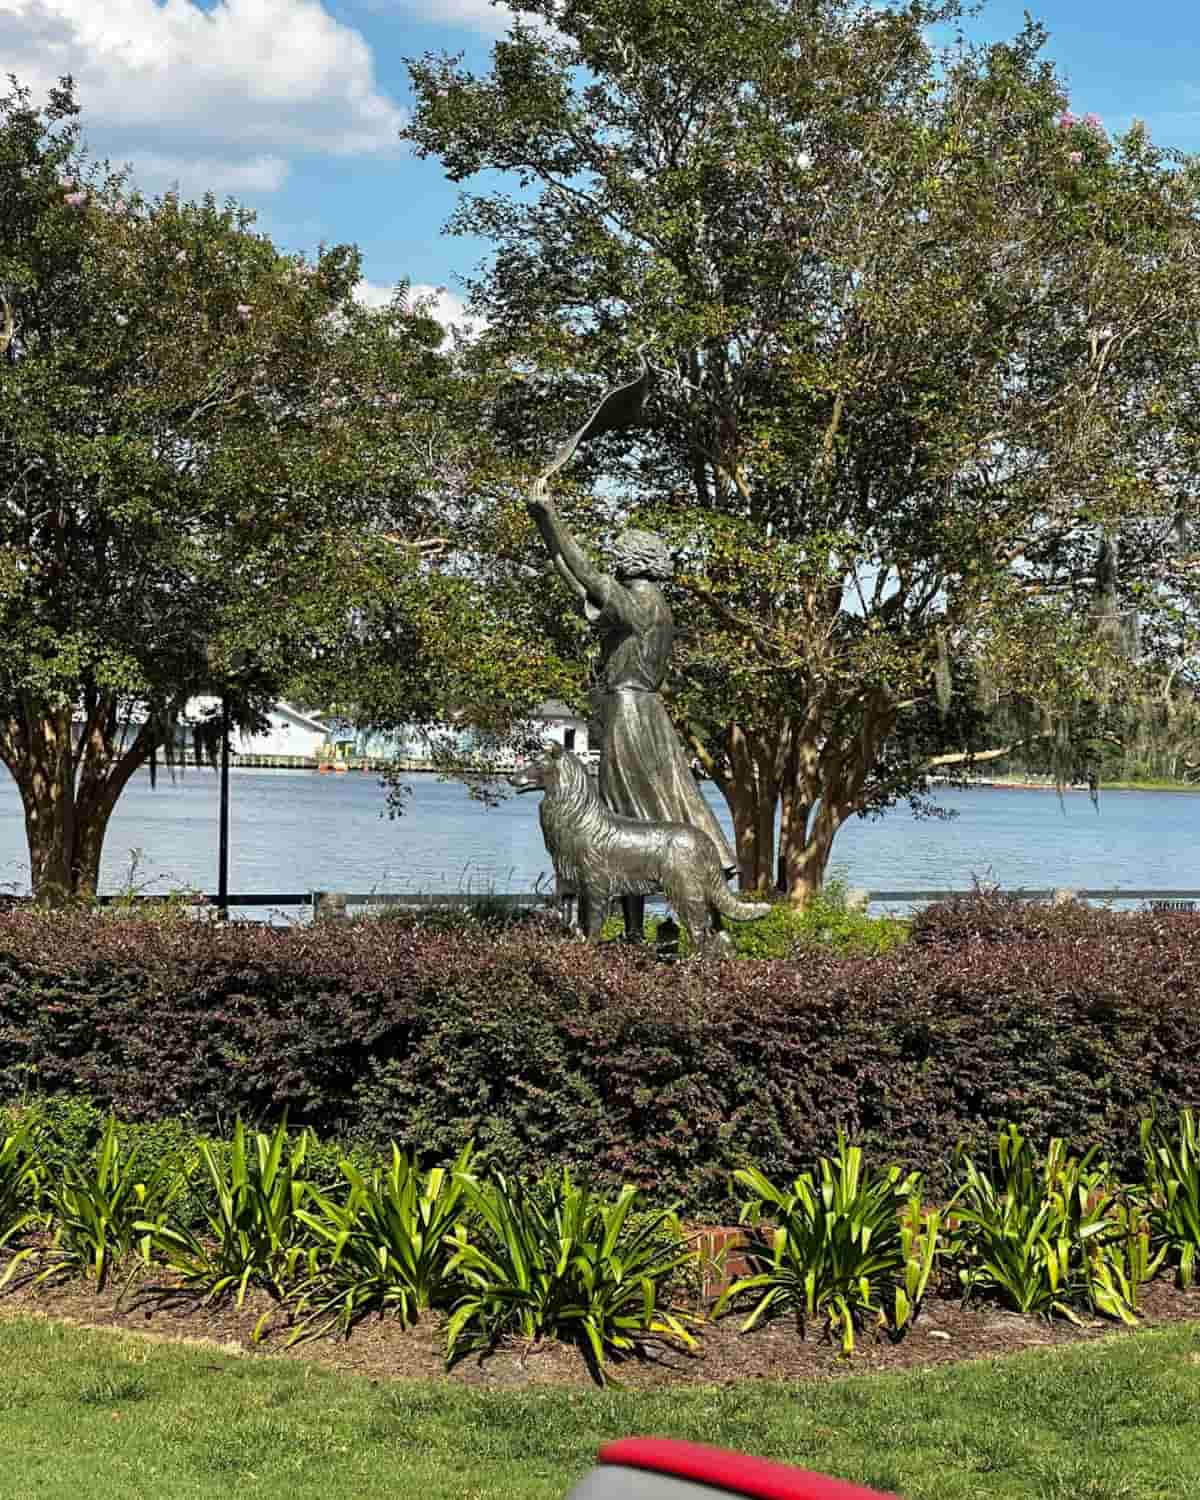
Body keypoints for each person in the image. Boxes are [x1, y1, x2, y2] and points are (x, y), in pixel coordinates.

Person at [527, 478, 736, 939]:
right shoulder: (647, 602)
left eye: (619, 554)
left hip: (629, 716)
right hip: (644, 715)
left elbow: (587, 574)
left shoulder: (640, 600)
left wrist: (550, 515)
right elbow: (579, 580)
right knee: (647, 811)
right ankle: (645, 930)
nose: (613, 560)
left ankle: (656, 930)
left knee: (623, 818)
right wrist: (545, 531)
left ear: (631, 559)